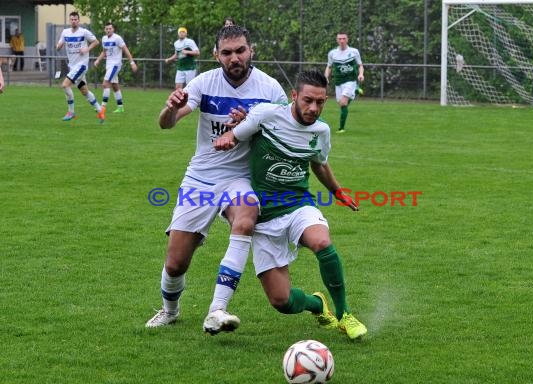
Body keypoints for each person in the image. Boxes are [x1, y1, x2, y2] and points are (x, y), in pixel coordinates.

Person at [146, 25, 288, 333]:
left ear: (251, 51)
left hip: (241, 177)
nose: (234, 58)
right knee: (175, 263)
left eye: (240, 51)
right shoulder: (203, 83)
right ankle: (170, 311)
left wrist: (250, 126)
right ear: (216, 56)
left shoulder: (270, 89)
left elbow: (284, 139)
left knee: (246, 219)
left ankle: (217, 309)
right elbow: (167, 124)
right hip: (201, 179)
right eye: (227, 53)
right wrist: (169, 109)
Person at [213, 69, 368, 340]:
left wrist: (337, 191)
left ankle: (344, 315)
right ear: (293, 96)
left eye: (320, 102)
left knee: (321, 242)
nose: (314, 108)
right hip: (264, 216)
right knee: (282, 302)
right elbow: (237, 135)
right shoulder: (267, 115)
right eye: (308, 100)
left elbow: (319, 162)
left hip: (298, 205)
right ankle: (317, 304)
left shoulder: (321, 131)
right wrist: (229, 137)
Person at [56, 11, 105, 123]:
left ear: (78, 20)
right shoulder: (65, 32)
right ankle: (100, 111)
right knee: (84, 90)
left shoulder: (84, 32)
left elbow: (96, 42)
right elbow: (59, 45)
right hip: (72, 67)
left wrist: (87, 49)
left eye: (75, 19)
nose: (74, 21)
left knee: (65, 85)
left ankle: (71, 112)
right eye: (72, 19)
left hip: (81, 65)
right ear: (70, 21)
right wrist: (58, 46)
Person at [324, 32, 364, 133]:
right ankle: (355, 92)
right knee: (341, 104)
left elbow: (360, 65)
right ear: (337, 40)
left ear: (347, 39)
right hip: (338, 82)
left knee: (343, 103)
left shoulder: (354, 52)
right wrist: (325, 77)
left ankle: (341, 128)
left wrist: (361, 74)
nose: (342, 41)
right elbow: (329, 67)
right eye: (339, 39)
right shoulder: (332, 53)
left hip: (350, 81)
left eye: (344, 38)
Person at [94, 22, 138, 113]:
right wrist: (98, 60)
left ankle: (102, 107)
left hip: (115, 64)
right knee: (114, 85)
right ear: (104, 30)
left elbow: (126, 50)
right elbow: (104, 52)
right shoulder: (104, 39)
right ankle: (120, 107)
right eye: (107, 29)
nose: (108, 30)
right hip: (108, 64)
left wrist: (132, 62)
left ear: (113, 29)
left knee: (105, 83)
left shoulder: (117, 38)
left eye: (110, 28)